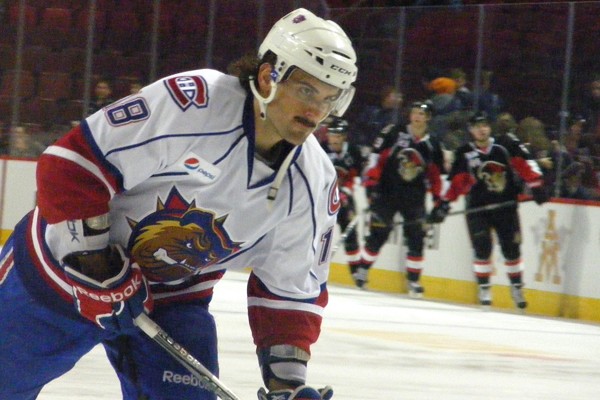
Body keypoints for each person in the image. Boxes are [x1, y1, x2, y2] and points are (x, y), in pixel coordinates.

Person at [0, 8, 357, 400]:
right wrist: (96, 265)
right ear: (268, 76)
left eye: (329, 98)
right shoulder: (196, 103)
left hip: (172, 298)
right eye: (306, 91)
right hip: (60, 271)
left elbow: (291, 292)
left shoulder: (314, 182)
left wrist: (287, 385)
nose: (316, 112)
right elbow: (71, 165)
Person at [429, 112, 549, 310]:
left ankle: (517, 287)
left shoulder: (506, 144)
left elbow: (526, 164)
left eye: (484, 125)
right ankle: (484, 288)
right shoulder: (464, 153)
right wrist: (443, 205)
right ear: (471, 130)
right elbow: (456, 183)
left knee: (511, 249)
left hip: (506, 206)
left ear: (490, 127)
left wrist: (536, 185)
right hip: (477, 209)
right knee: (482, 248)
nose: (482, 129)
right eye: (477, 126)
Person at [354, 101, 445, 297]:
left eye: (422, 114)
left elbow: (435, 176)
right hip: (387, 193)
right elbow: (376, 159)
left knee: (416, 237)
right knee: (379, 233)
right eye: (415, 112)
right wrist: (371, 185)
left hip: (414, 198)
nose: (417, 117)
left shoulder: (433, 144)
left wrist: (439, 202)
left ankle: (413, 280)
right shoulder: (394, 133)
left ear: (428, 118)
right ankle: (363, 270)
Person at [320, 117, 365, 275]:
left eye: (337, 136)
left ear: (344, 136)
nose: (334, 139)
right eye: (331, 135)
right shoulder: (321, 150)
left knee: (350, 233)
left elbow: (358, 177)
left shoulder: (353, 151)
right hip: (323, 199)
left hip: (345, 199)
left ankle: (356, 271)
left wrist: (345, 192)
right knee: (318, 231)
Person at [353, 84, 403, 150]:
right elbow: (357, 129)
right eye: (396, 96)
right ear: (387, 97)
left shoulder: (399, 117)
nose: (400, 99)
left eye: (400, 97)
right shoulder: (370, 111)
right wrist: (364, 145)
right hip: (364, 148)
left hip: (383, 151)